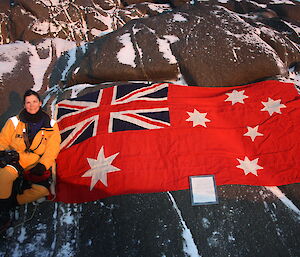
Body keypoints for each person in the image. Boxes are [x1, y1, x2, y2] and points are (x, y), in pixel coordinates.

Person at [0, 89, 61, 232]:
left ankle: (13, 201)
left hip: (36, 163)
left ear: (40, 103)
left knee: (42, 190)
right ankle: (4, 211)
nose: (31, 105)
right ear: (24, 104)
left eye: (34, 101)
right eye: (28, 102)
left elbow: (53, 148)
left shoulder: (51, 125)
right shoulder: (14, 122)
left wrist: (43, 165)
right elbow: (2, 141)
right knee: (4, 177)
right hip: (17, 159)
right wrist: (3, 154)